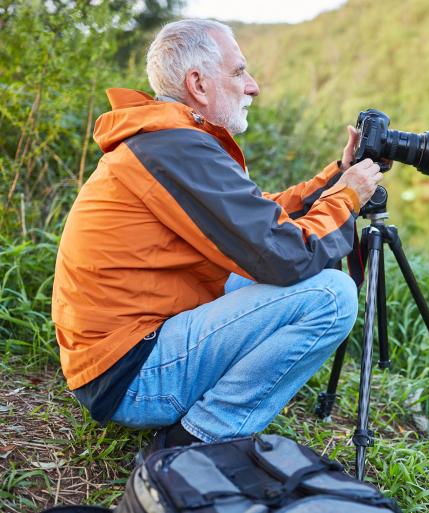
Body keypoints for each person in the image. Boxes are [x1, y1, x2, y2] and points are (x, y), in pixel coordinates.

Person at [51, 19, 383, 452]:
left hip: (121, 353)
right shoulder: (173, 147)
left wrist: (336, 179)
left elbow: (257, 220)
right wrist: (347, 200)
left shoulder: (167, 140)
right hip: (128, 375)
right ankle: (194, 438)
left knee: (271, 273)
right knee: (331, 294)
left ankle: (199, 423)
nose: (253, 87)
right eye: (239, 72)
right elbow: (286, 255)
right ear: (199, 84)